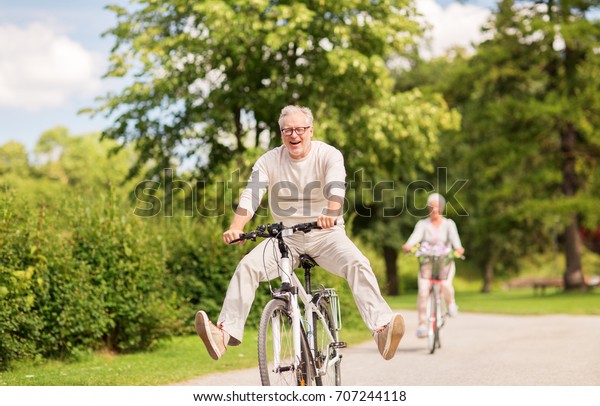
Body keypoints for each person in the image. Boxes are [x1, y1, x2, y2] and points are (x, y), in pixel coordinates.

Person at [195, 105, 405, 361]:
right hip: (285, 238)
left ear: (310, 130)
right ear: (281, 133)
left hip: (326, 234)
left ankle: (381, 330)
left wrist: (331, 212)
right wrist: (236, 227)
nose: (294, 135)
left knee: (358, 263)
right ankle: (223, 335)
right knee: (247, 267)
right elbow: (251, 194)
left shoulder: (328, 154)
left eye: (299, 129)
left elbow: (336, 187)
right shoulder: (270, 160)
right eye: (287, 131)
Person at [402, 193, 464, 338]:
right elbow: (415, 237)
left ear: (441, 208)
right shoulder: (422, 224)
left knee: (445, 285)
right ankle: (422, 324)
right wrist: (408, 245)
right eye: (431, 207)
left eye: (436, 207)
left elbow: (456, 241)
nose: (434, 210)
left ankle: (450, 304)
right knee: (423, 291)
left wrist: (458, 248)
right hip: (427, 264)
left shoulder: (449, 224)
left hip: (445, 263)